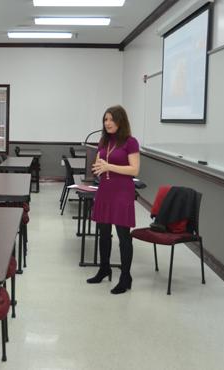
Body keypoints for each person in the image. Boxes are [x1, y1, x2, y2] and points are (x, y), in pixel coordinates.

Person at [87, 105, 140, 295]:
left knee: (123, 236)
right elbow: (99, 164)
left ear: (120, 121)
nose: (107, 123)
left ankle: (126, 277)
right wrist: (97, 167)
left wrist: (109, 166)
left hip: (122, 191)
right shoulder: (104, 141)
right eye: (105, 119)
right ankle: (104, 268)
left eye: (111, 119)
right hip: (105, 190)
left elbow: (134, 170)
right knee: (103, 232)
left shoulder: (130, 142)